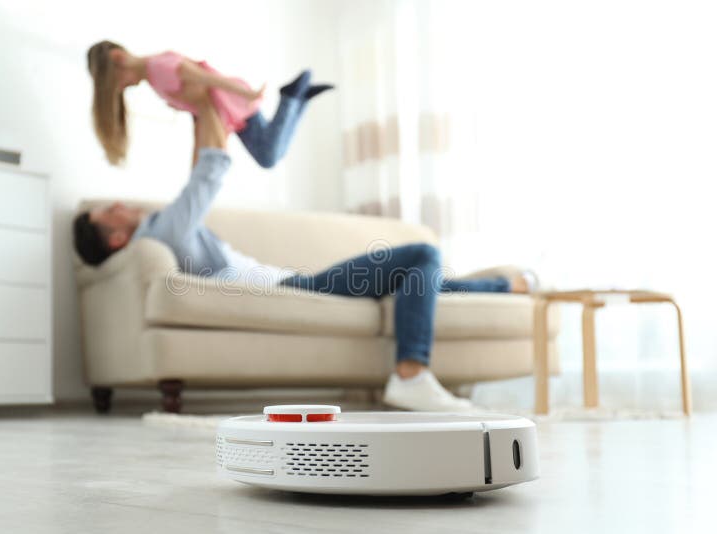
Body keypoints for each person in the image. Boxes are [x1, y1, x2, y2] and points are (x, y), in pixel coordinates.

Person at [74, 101, 530, 412]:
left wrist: (202, 116)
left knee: (418, 282)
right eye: (106, 211)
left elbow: (197, 176)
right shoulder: (158, 232)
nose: (117, 204)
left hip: (296, 281)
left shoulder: (165, 227)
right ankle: (411, 373)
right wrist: (209, 107)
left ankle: (509, 286)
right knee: (421, 255)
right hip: (294, 287)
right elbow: (208, 174)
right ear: (114, 238)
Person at [86, 40, 332, 166]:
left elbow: (206, 77)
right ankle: (300, 99)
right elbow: (197, 111)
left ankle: (292, 98)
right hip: (230, 112)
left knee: (268, 155)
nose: (121, 88)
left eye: (117, 82)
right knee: (269, 149)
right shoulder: (155, 74)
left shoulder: (159, 68)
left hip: (234, 107)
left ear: (118, 58)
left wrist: (246, 94)